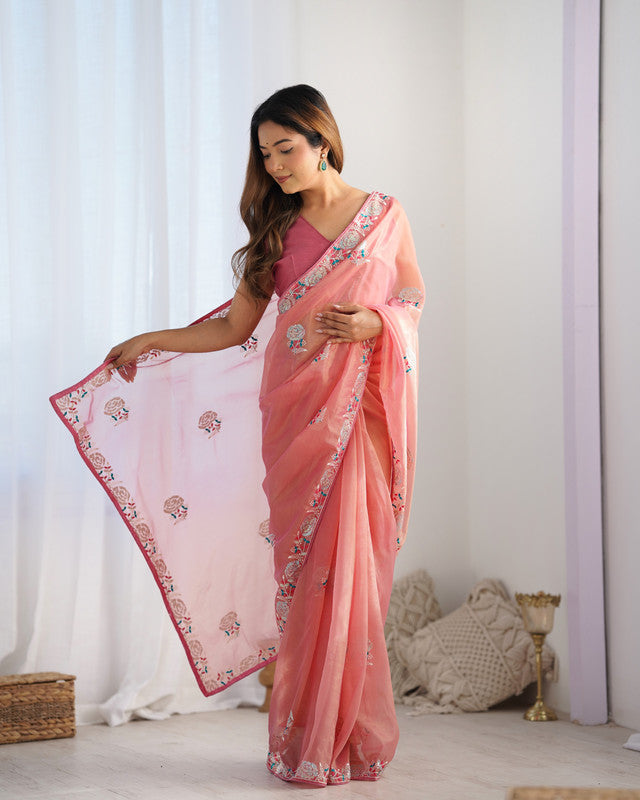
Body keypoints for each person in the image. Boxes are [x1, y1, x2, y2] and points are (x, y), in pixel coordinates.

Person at [52, 85, 424, 787]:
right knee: (308, 579)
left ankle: (345, 736)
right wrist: (149, 339)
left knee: (353, 573)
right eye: (265, 154)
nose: (275, 165)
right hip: (295, 417)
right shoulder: (275, 234)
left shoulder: (384, 215)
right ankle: (306, 738)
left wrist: (376, 323)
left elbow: (410, 297)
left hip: (359, 418)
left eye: (286, 149)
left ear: (322, 142)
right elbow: (232, 329)